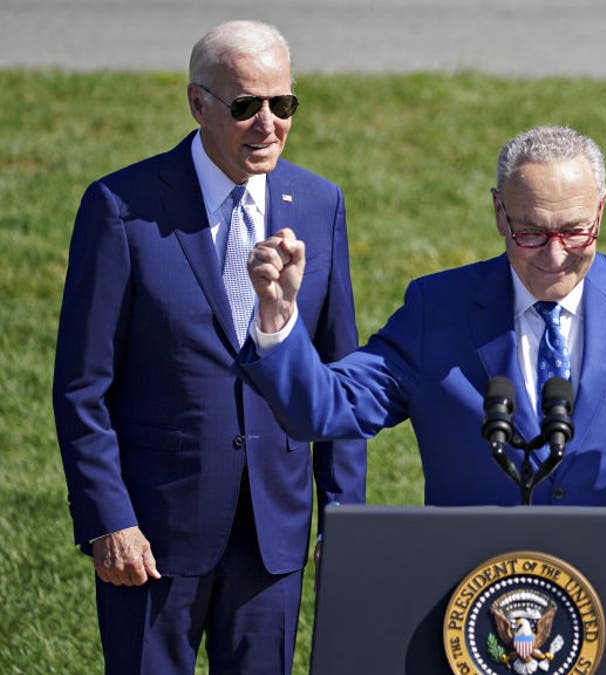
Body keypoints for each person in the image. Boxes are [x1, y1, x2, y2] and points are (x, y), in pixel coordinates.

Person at [239, 125, 606, 507]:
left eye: (576, 230)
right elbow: (325, 408)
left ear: (601, 210)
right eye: (530, 233)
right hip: (477, 604)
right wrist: (279, 317)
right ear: (499, 214)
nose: (555, 255)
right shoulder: (437, 308)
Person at [52, 20, 366, 674]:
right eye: (247, 105)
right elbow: (83, 388)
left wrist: (344, 516)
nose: (269, 124)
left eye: (284, 105)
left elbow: (337, 380)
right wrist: (110, 517)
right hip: (153, 533)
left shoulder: (317, 202)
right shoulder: (121, 207)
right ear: (198, 103)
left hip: (272, 532)